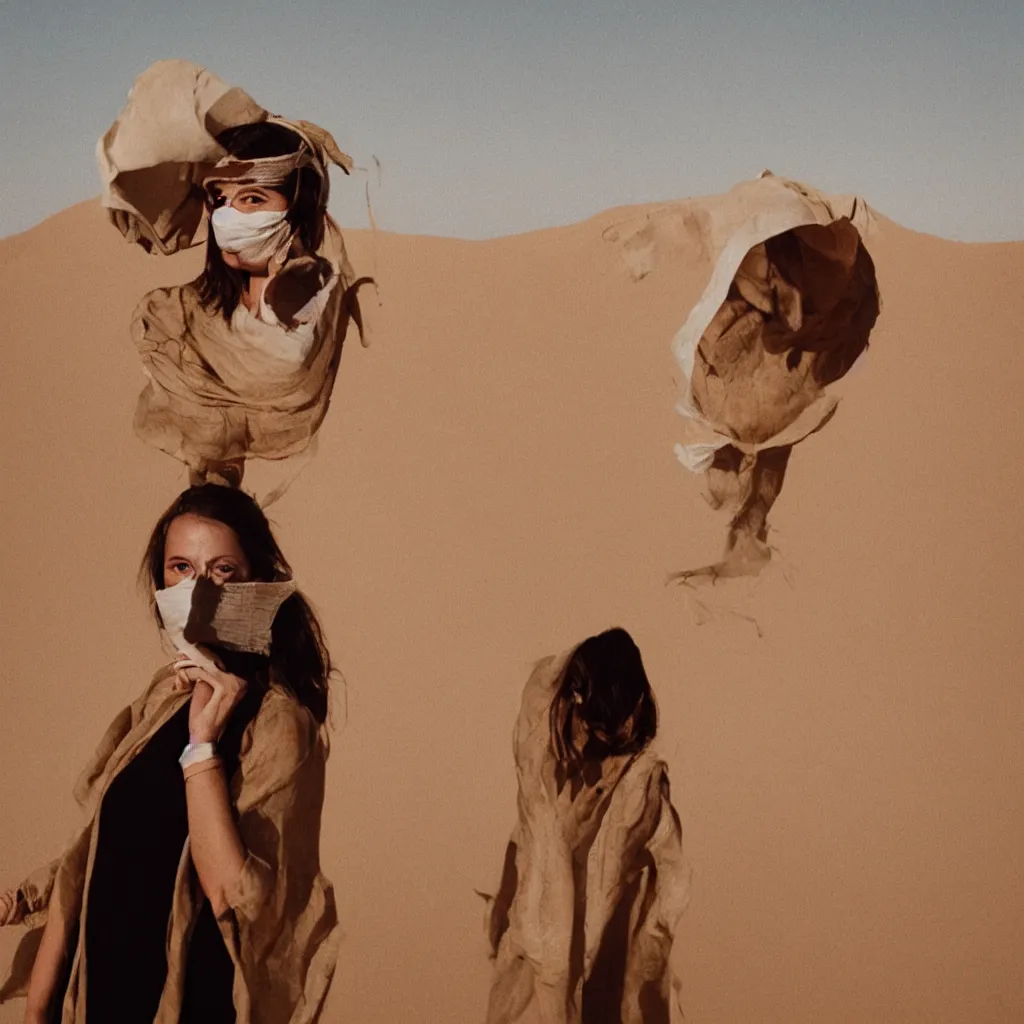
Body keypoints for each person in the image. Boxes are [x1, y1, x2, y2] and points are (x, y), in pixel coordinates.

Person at [0, 484, 340, 1024]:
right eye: (181, 567)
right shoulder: (163, 698)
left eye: (222, 570)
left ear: (259, 583)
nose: (198, 589)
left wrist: (203, 748)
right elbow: (96, 852)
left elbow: (241, 901)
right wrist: (39, 1002)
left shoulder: (279, 725)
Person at [98, 59, 374, 489]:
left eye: (252, 199)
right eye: (220, 199)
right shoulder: (186, 313)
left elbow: (284, 361)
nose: (229, 217)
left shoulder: (304, 299)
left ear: (296, 208)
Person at [482, 628, 690, 1024]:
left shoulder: (640, 786)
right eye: (593, 733)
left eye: (612, 739)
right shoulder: (541, 729)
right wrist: (509, 896)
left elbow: (644, 900)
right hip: (538, 941)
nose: (597, 751)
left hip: (605, 939)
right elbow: (527, 829)